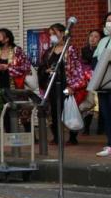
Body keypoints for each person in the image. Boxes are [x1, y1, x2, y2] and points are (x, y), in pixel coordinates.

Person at [39, 22, 88, 147]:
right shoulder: (49, 52)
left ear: (62, 33)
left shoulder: (70, 49)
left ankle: (72, 137)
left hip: (66, 85)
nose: (52, 37)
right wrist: (46, 71)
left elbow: (77, 68)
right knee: (53, 110)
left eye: (54, 33)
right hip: (52, 85)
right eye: (50, 35)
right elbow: (42, 67)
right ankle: (56, 137)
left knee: (68, 108)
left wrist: (73, 86)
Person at [92, 14, 111, 156]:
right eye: (108, 21)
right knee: (106, 113)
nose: (109, 24)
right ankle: (110, 144)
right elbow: (95, 60)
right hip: (103, 82)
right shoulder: (103, 41)